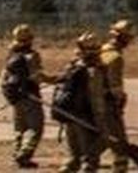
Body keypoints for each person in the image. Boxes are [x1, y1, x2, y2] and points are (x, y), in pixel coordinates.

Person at [0, 25, 55, 169]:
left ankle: (16, 154)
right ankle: (24, 154)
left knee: (20, 128)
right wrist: (56, 79)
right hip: (30, 97)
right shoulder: (32, 56)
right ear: (30, 39)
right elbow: (37, 77)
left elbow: (4, 76)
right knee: (35, 128)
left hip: (15, 97)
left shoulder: (11, 54)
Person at [51, 34, 108, 173]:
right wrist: (101, 122)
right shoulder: (94, 72)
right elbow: (96, 99)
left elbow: (58, 81)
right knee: (90, 158)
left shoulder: (72, 67)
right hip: (85, 118)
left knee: (73, 156)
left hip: (69, 115)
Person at [93, 22, 133, 173]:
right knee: (120, 146)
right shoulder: (115, 57)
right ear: (123, 38)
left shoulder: (100, 51)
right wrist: (120, 100)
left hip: (95, 103)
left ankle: (79, 162)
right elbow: (115, 87)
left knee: (102, 140)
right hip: (107, 105)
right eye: (128, 38)